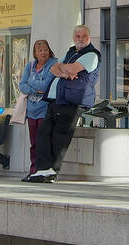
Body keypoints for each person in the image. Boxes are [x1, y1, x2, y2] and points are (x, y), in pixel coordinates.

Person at [24, 27, 100, 183]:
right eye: (77, 36)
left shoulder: (92, 55)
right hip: (56, 99)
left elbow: (72, 68)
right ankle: (42, 169)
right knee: (44, 133)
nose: (80, 38)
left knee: (60, 137)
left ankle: (51, 171)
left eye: (84, 36)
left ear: (89, 37)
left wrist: (64, 68)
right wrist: (65, 72)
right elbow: (53, 68)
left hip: (72, 100)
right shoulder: (72, 51)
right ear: (73, 37)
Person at [18, 39, 57, 169]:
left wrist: (30, 82)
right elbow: (22, 85)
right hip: (31, 111)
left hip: (45, 109)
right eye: (40, 50)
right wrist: (35, 89)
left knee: (44, 141)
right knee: (33, 142)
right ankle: (34, 167)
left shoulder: (54, 65)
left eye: (45, 50)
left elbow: (46, 86)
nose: (43, 53)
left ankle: (44, 168)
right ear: (35, 53)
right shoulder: (30, 66)